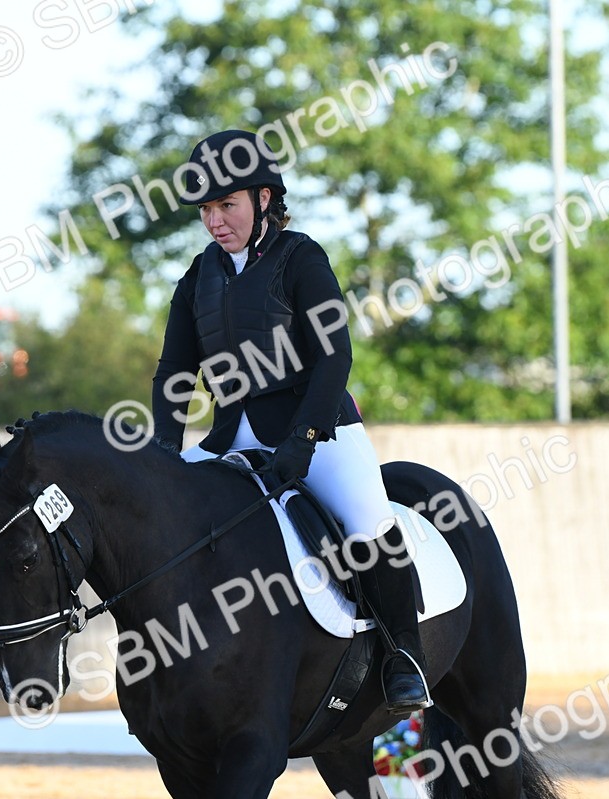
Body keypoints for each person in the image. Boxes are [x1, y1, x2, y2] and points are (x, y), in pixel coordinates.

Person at [150, 129, 429, 714]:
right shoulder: (197, 276)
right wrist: (164, 448)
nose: (215, 221)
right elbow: (177, 367)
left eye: (226, 205)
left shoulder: (301, 257)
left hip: (316, 425)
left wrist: (304, 439)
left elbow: (335, 356)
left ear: (264, 199)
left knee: (367, 521)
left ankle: (406, 657)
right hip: (228, 433)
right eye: (206, 209)